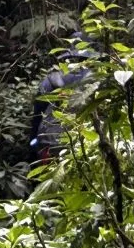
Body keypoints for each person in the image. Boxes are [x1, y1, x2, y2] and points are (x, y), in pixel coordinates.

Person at [28, 33, 98, 163]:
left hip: (49, 144)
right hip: (85, 143)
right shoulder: (98, 80)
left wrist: (32, 145)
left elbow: (37, 115)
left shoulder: (51, 79)